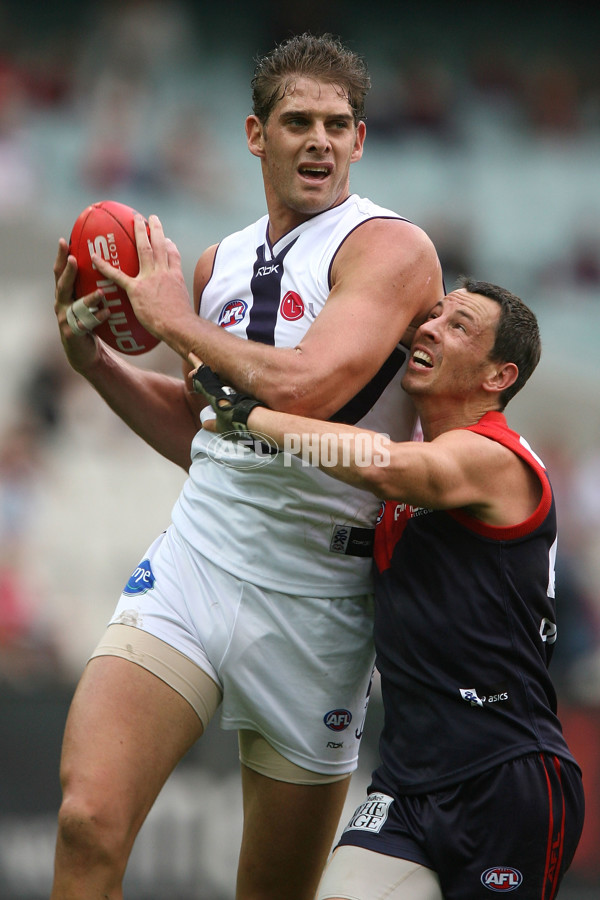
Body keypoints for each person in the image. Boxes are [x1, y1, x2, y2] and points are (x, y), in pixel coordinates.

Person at [51, 33, 444, 900]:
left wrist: (170, 320)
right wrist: (99, 367)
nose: (320, 140)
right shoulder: (216, 264)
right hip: (200, 558)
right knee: (86, 821)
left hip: (319, 604)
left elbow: (309, 388)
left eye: (338, 124)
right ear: (254, 135)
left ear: (361, 140)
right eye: (297, 120)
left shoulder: (391, 248)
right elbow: (206, 435)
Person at [195, 276, 585, 899]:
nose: (428, 328)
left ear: (498, 377)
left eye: (458, 326)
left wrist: (252, 414)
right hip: (406, 784)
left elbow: (385, 466)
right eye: (431, 317)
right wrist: (102, 369)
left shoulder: (498, 458)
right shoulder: (408, 469)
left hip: (505, 777)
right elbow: (201, 451)